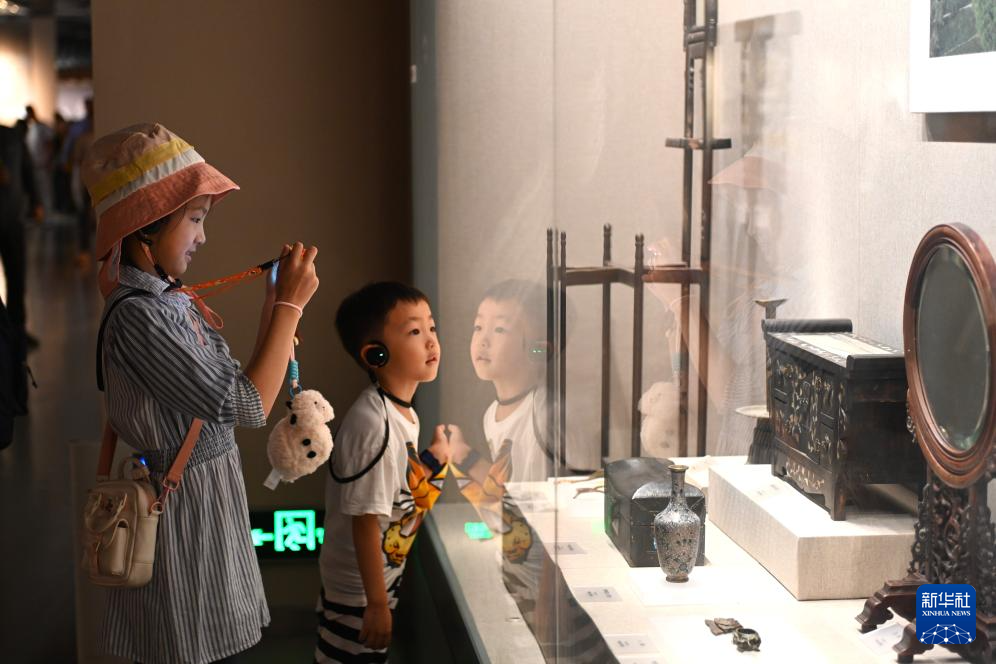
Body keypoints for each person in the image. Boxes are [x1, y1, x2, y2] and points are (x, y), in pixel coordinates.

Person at [82, 123, 319, 664]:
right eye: (194, 218)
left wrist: (275, 307)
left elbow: (236, 389)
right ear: (145, 228)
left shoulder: (166, 301)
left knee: (207, 644)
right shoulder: (142, 316)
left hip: (202, 497)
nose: (203, 237)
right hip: (183, 510)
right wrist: (289, 308)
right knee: (189, 647)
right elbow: (248, 406)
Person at [318, 282, 449, 663]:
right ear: (375, 353)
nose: (431, 341)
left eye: (431, 327)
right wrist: (375, 604)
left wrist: (435, 459)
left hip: (377, 581)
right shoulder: (373, 423)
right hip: (358, 591)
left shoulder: (401, 411)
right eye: (414, 331)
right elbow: (364, 521)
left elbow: (398, 489)